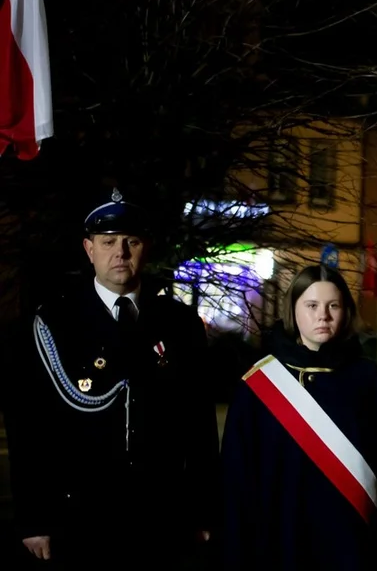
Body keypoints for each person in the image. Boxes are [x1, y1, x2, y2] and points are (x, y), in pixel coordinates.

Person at [2, 188, 221, 569]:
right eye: (108, 242)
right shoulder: (54, 322)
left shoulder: (179, 323)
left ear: (146, 247)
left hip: (161, 517)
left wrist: (203, 511)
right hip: (78, 517)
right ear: (89, 250)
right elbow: (28, 428)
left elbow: (199, 425)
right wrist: (33, 518)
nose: (120, 252)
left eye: (131, 241)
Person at [220, 264, 377, 570]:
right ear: (293, 310)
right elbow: (236, 484)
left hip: (354, 547)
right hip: (279, 545)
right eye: (312, 305)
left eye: (334, 306)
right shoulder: (257, 386)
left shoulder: (369, 381)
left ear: (346, 311)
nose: (323, 316)